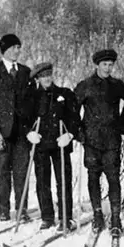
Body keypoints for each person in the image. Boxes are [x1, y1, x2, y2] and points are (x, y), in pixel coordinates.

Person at [75, 49, 124, 236]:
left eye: (110, 65)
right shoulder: (85, 86)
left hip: (111, 142)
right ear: (96, 65)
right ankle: (97, 215)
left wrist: (123, 124)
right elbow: (72, 113)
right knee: (93, 178)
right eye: (104, 64)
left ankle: (115, 218)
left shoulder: (117, 86)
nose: (108, 68)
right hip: (91, 141)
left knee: (114, 178)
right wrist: (80, 135)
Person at [0, 33, 33, 221]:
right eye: (14, 48)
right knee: (1, 172)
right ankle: (3, 211)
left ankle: (22, 210)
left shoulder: (26, 72)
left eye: (19, 47)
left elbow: (32, 102)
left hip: (22, 133)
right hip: (1, 133)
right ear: (6, 50)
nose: (18, 51)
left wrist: (32, 128)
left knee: (22, 172)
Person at [24, 62, 80, 231]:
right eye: (42, 76)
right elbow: (24, 120)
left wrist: (70, 134)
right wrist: (29, 133)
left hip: (60, 144)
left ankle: (65, 217)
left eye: (49, 75)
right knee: (42, 181)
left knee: (63, 180)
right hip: (40, 145)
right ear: (38, 79)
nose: (46, 78)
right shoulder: (32, 96)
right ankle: (47, 217)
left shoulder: (65, 94)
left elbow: (75, 118)